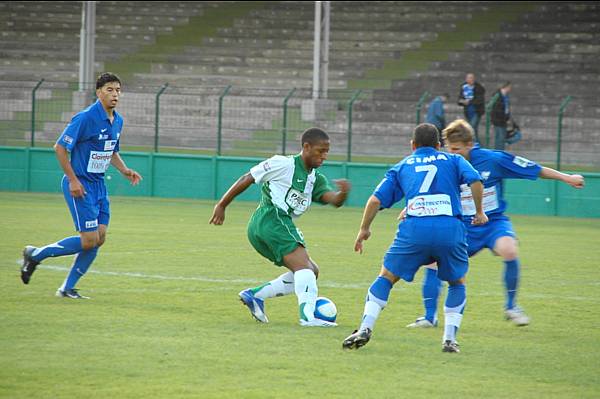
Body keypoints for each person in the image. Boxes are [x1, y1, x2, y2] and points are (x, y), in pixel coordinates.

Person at [406, 119, 585, 329]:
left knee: (509, 249)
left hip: (492, 223)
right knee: (433, 262)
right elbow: (429, 190)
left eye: (457, 149)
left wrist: (567, 177)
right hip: (461, 226)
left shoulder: (493, 160)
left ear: (470, 144)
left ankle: (511, 307)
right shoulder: (446, 163)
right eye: (449, 148)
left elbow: (533, 168)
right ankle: (429, 317)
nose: (452, 153)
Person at [342, 123, 488, 353]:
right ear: (439, 146)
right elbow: (476, 181)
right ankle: (449, 339)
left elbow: (375, 201)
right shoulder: (454, 160)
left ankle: (365, 326)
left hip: (414, 230)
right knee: (457, 282)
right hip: (449, 229)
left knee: (387, 277)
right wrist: (479, 212)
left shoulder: (403, 165)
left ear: (412, 145)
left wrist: (364, 229)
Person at [209, 127, 350, 327]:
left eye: (327, 152)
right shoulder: (283, 164)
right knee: (304, 268)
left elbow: (334, 200)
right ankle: (308, 318)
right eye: (320, 151)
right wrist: (222, 205)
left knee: (312, 271)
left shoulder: (315, 179)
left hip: (273, 226)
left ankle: (255, 295)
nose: (324, 156)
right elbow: (248, 178)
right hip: (271, 219)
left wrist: (343, 193)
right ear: (306, 147)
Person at [20, 72, 142, 299]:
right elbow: (59, 148)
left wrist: (124, 170)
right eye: (109, 90)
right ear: (98, 92)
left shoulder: (118, 120)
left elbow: (110, 150)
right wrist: (74, 180)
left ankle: (66, 288)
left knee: (99, 237)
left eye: (117, 90)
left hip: (99, 186)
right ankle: (35, 254)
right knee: (89, 239)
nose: (115, 94)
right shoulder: (85, 118)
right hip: (80, 185)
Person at [458, 73, 485, 143]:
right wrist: (463, 101)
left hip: (476, 111)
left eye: (472, 78)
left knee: (472, 127)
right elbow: (459, 99)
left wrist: (469, 102)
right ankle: (475, 144)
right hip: (467, 111)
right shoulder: (464, 87)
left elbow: (480, 100)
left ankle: (475, 144)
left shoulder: (479, 88)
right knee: (473, 129)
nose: (471, 79)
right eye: (469, 78)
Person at [491, 82, 514, 150]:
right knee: (500, 138)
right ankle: (498, 153)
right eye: (509, 87)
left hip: (503, 120)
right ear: (506, 87)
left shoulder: (505, 96)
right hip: (498, 120)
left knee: (501, 137)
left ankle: (500, 151)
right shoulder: (497, 95)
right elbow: (496, 109)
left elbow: (506, 108)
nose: (510, 89)